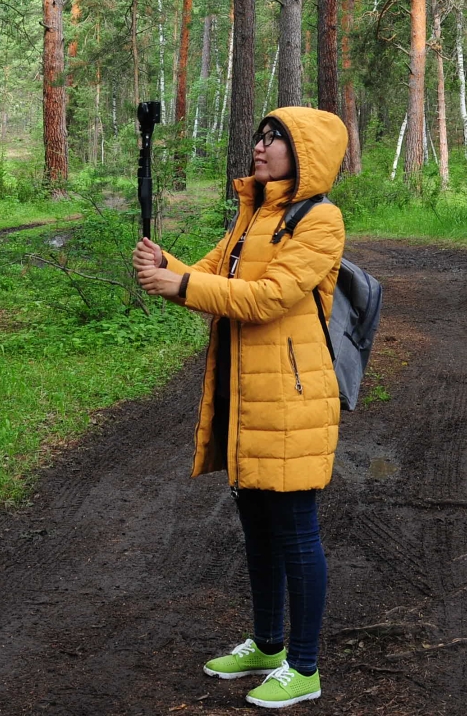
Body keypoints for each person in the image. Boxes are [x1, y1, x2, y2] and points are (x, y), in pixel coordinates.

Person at [133, 105, 348, 709]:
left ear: (304, 155)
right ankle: (268, 643)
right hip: (244, 390)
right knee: (256, 526)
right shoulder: (252, 215)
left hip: (292, 396)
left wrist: (180, 284)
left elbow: (269, 296)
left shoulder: (320, 220)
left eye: (276, 140)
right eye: (260, 136)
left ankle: (304, 667)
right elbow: (205, 275)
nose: (261, 147)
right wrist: (163, 266)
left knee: (296, 531)